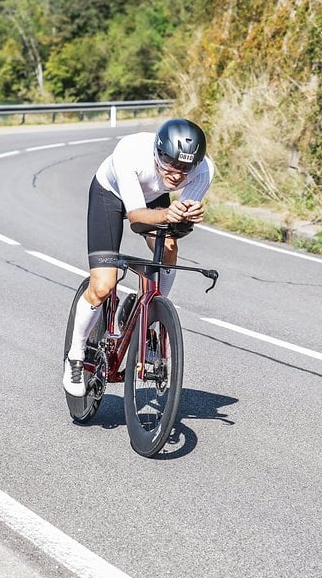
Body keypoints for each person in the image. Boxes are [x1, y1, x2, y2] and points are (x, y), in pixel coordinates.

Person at [63, 117, 214, 396]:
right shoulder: (130, 153)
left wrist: (186, 217)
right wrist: (170, 214)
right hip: (111, 196)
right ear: (158, 152)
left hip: (153, 198)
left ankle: (154, 311)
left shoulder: (203, 170)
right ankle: (75, 356)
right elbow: (136, 218)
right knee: (103, 286)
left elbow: (179, 218)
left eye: (185, 168)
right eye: (170, 163)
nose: (178, 175)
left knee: (169, 247)